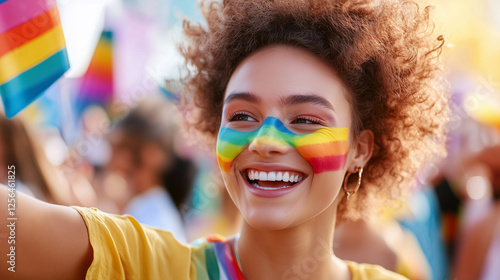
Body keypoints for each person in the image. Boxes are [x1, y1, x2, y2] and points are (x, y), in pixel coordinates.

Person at [0, 0, 448, 279]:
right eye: (242, 115)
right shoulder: (142, 265)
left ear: (360, 148)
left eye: (306, 119)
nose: (265, 140)